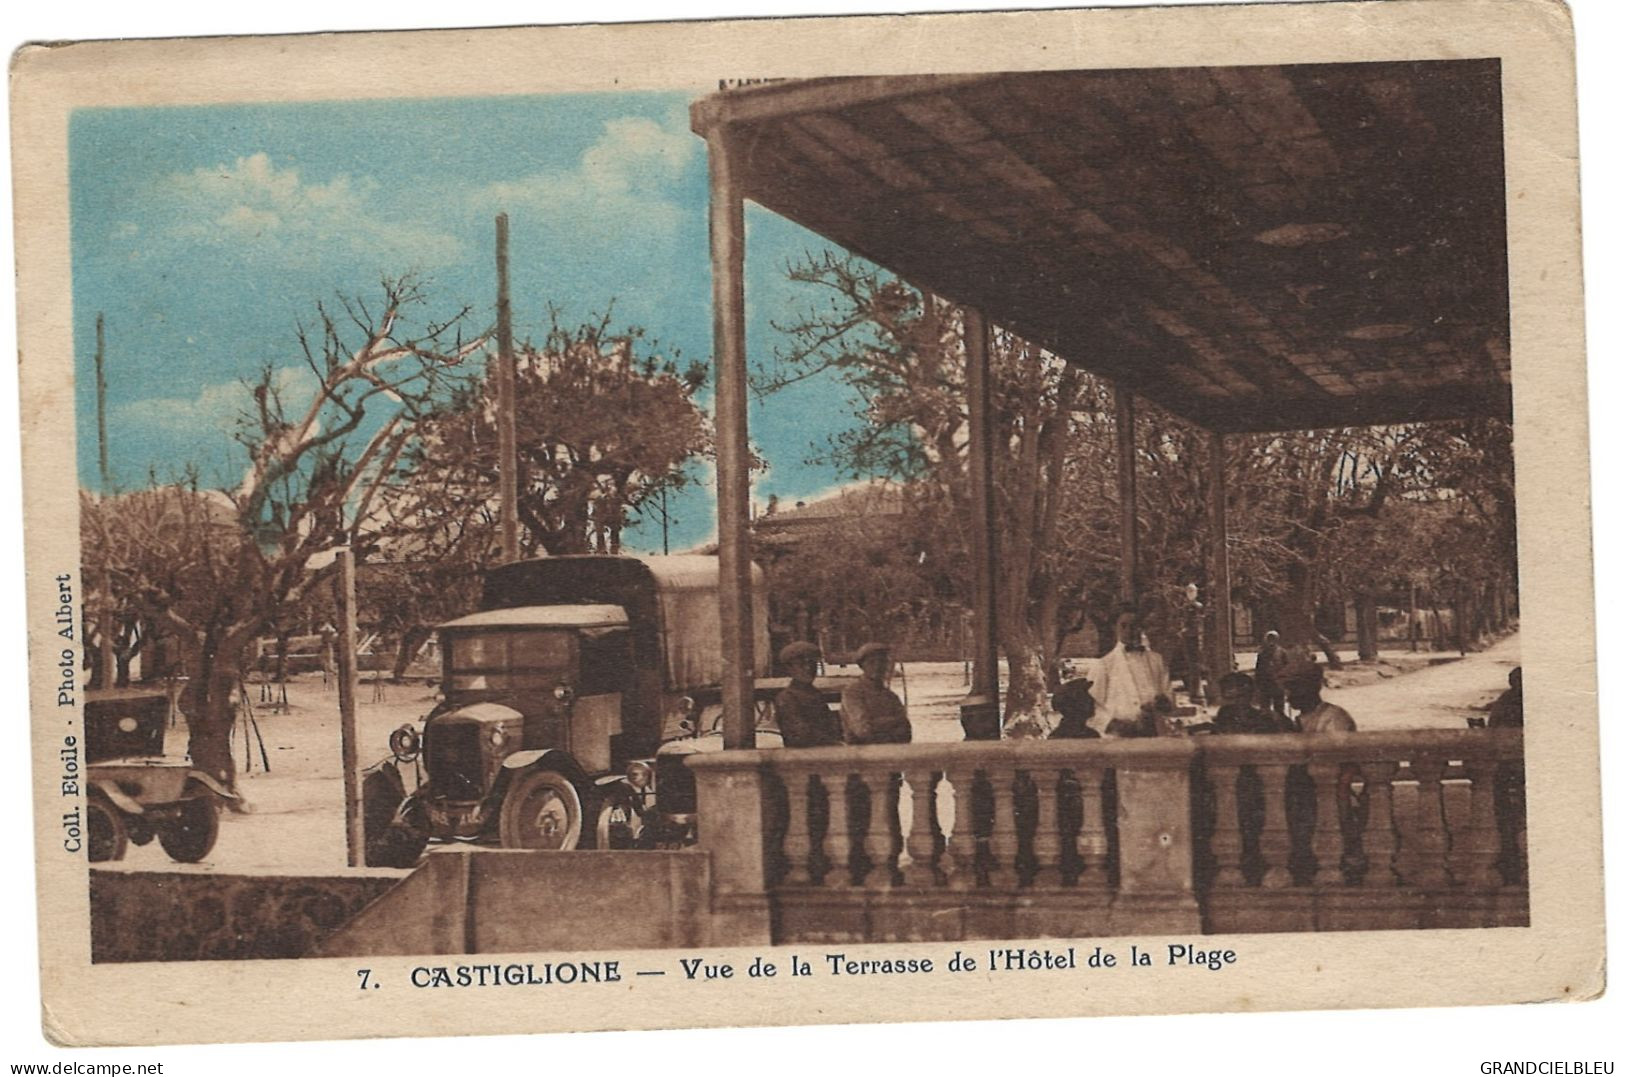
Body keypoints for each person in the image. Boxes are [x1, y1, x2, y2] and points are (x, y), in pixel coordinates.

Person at [1091, 604, 1174, 737]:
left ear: (1141, 627)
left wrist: (1161, 703)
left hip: (1154, 733)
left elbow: (1169, 699)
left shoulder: (1157, 661)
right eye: (1124, 626)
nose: (1129, 630)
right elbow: (1093, 706)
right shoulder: (1104, 664)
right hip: (1119, 737)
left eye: (1134, 625)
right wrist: (1112, 723)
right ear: (1115, 628)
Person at [840, 642, 911, 745]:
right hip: (860, 753)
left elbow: (906, 731)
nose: (878, 667)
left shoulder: (890, 696)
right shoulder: (853, 692)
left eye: (882, 662)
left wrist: (877, 723)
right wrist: (893, 722)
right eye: (872, 662)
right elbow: (862, 730)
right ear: (862, 666)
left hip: (891, 750)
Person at [774, 641, 842, 748]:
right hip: (802, 757)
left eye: (812, 664)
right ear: (789, 669)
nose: (808, 669)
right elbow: (801, 734)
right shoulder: (787, 698)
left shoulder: (815, 694)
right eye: (801, 665)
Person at [1210, 671, 1291, 735]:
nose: (1236, 702)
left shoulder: (1267, 719)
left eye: (1241, 697)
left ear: (1251, 695)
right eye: (1230, 698)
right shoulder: (1224, 714)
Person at [1254, 630, 1285, 718]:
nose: (1271, 642)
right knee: (1265, 708)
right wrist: (1258, 683)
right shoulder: (1262, 654)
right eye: (1269, 639)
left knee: (1279, 708)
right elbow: (1258, 669)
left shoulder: (1282, 652)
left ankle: (1281, 723)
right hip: (1265, 684)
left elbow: (1287, 667)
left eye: (1273, 639)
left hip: (1278, 683)